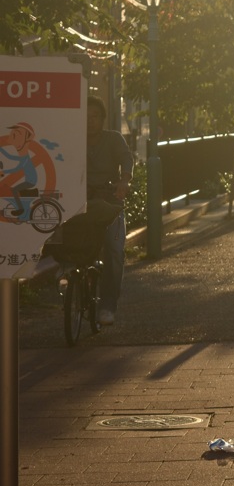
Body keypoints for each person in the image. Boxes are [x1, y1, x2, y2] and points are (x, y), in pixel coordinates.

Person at [86, 96, 134, 326]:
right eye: (85, 117)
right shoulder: (72, 139)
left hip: (110, 203)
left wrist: (124, 181)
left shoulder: (113, 139)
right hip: (81, 203)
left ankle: (108, 305)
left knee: (115, 251)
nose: (89, 121)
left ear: (102, 119)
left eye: (94, 116)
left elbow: (127, 159)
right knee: (70, 246)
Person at [1, 122, 39, 218]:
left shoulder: (25, 158)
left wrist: (4, 172)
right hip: (29, 180)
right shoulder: (23, 157)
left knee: (14, 190)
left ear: (28, 138)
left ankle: (20, 209)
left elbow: (16, 169)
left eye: (17, 134)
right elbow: (10, 156)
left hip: (31, 181)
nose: (13, 136)